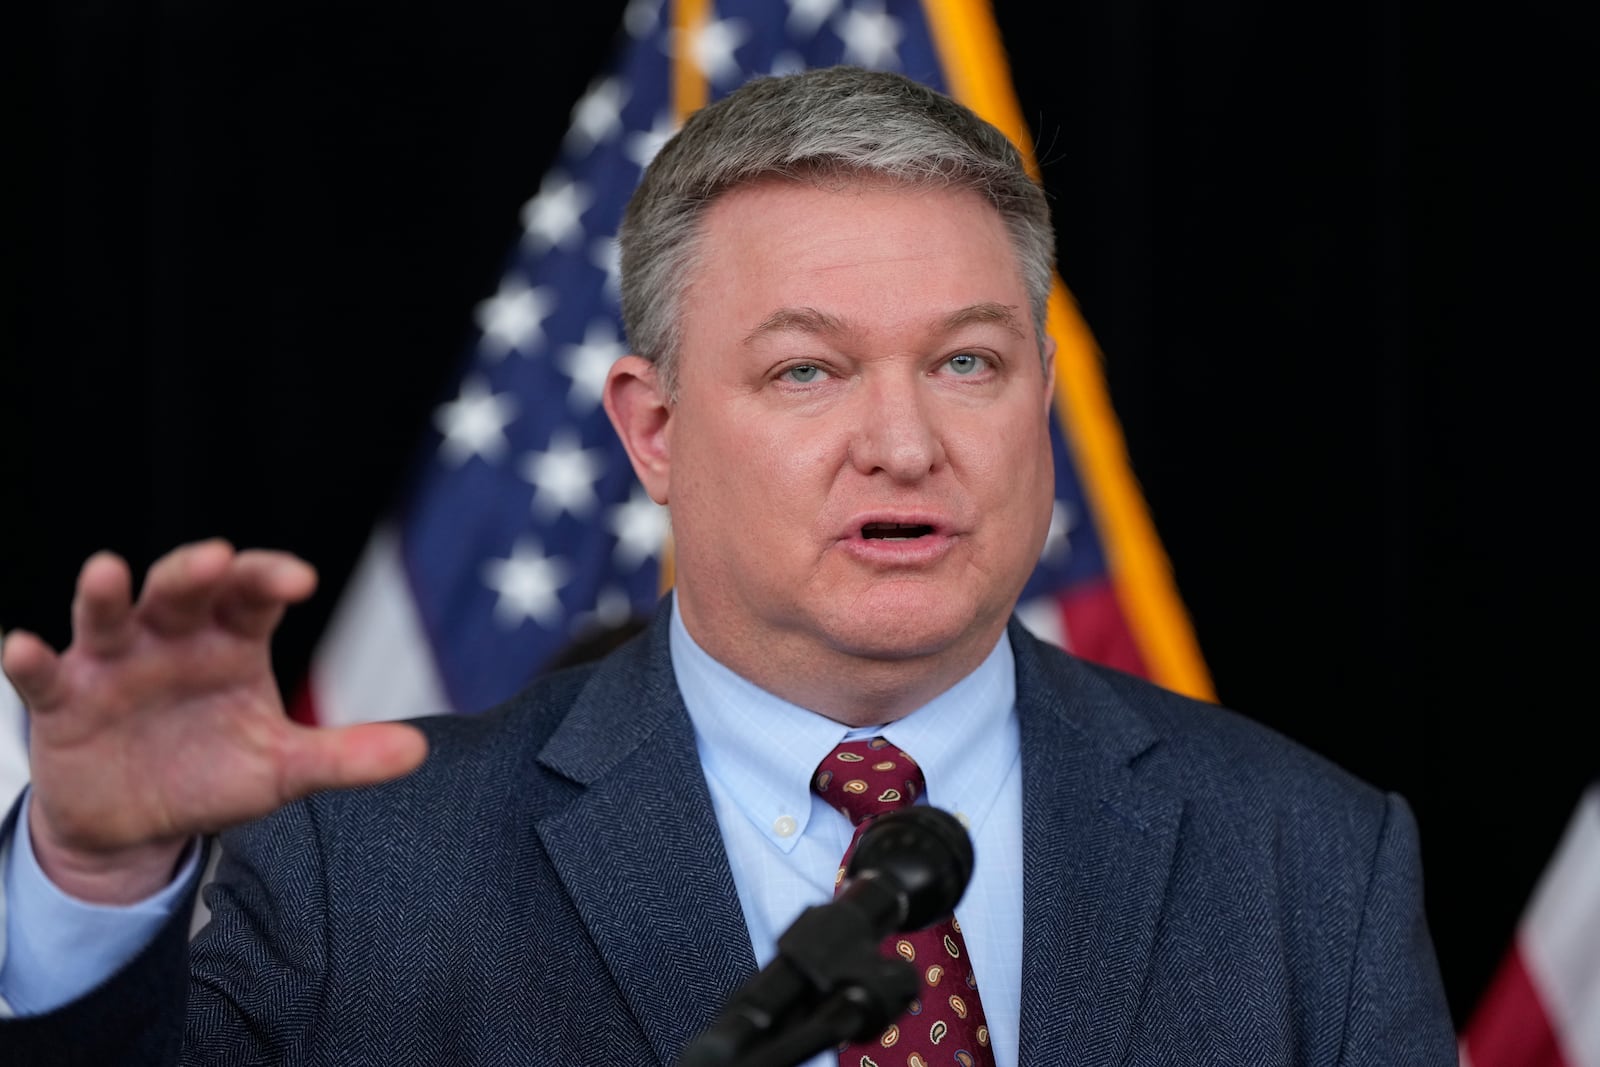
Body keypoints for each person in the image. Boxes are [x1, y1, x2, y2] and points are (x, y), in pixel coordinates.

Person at [0, 67, 1454, 1064]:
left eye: (966, 361)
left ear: (1041, 406)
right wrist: (93, 884)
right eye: (809, 371)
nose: (905, 442)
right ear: (653, 430)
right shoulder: (368, 867)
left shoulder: (1307, 863)